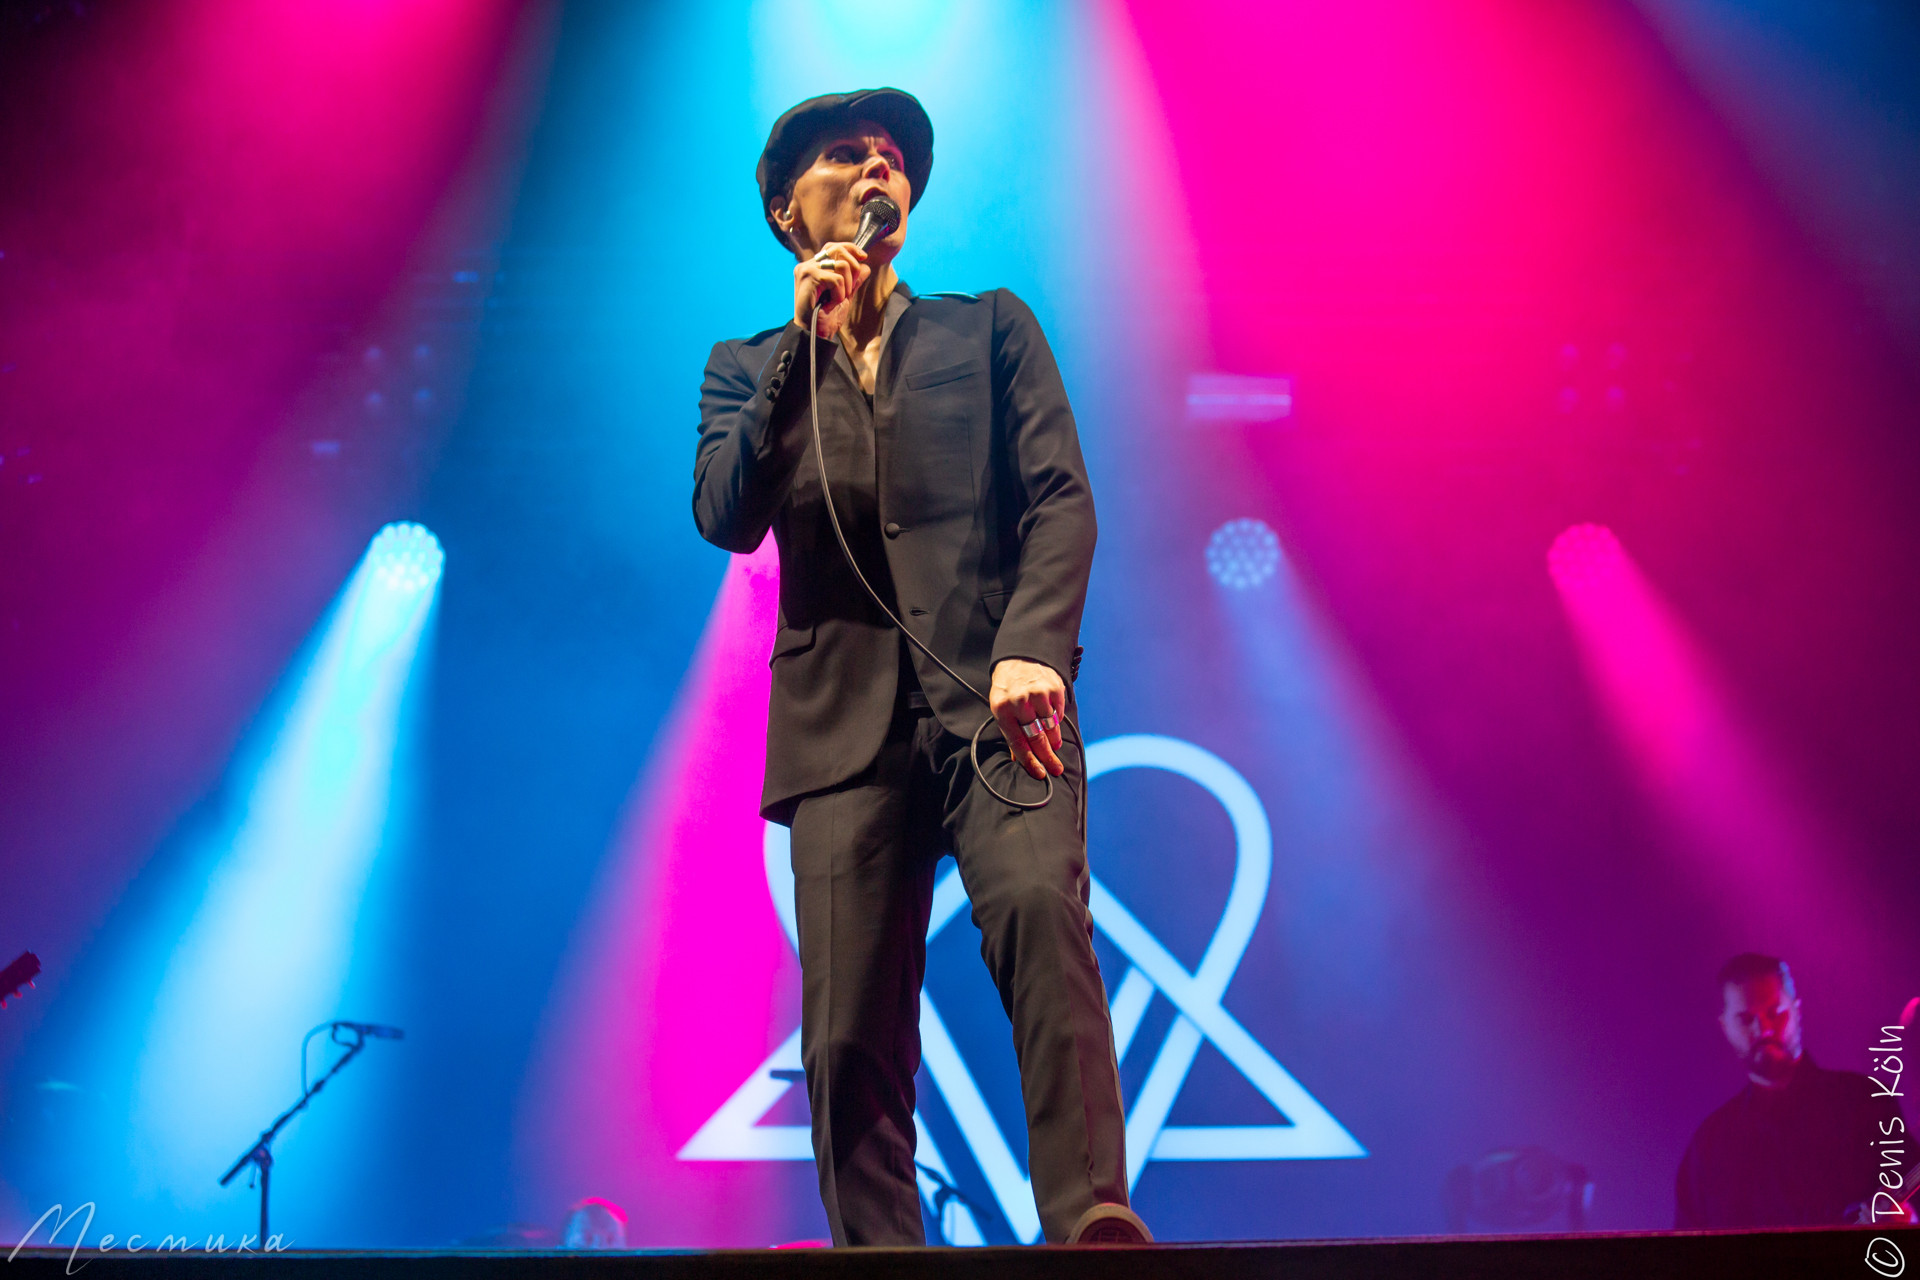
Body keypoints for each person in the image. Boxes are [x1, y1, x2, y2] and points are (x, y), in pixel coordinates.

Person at [690, 88, 1146, 1247]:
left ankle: (1089, 1216)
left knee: (1043, 915)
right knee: (848, 1032)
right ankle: (883, 1253)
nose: (877, 167)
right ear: (791, 207)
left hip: (1000, 709)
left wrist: (1033, 648)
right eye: (847, 155)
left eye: (893, 156)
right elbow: (724, 514)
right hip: (842, 730)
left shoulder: (990, 326)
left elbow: (1062, 502)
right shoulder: (747, 367)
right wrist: (806, 348)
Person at [1674, 953, 1912, 1228]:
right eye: (1745, 1019)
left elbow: (1910, 1193)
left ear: (1797, 1011)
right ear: (1725, 1027)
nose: (1763, 1030)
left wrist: (1909, 1221)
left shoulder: (1867, 1103)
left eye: (1774, 1013)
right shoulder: (1708, 1147)